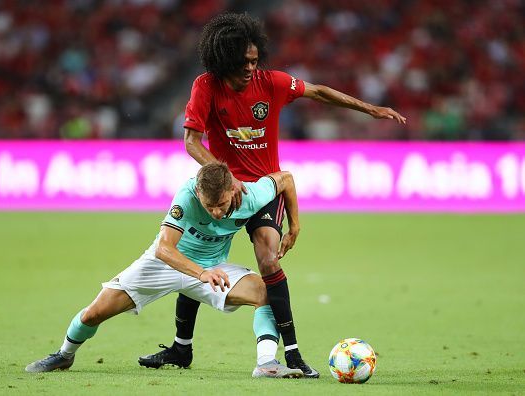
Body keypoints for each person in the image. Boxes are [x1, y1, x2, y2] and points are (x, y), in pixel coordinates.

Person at [138, 13, 406, 378]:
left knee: (268, 261)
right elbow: (190, 141)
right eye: (243, 61)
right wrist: (226, 177)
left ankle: (292, 354)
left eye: (254, 59)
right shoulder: (206, 86)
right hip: (225, 192)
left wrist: (369, 109)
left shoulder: (272, 83)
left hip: (265, 191)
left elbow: (320, 92)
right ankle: (181, 348)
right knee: (196, 256)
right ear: (224, 59)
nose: (251, 67)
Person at [26, 163, 304, 378]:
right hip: (164, 265)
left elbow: (286, 179)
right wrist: (200, 273)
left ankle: (266, 363)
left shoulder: (251, 195)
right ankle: (64, 354)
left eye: (221, 205)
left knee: (265, 292)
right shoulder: (186, 197)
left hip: (211, 269)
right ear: (198, 194)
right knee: (93, 313)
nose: (217, 213)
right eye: (209, 206)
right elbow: (163, 249)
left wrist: (295, 226)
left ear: (233, 189)